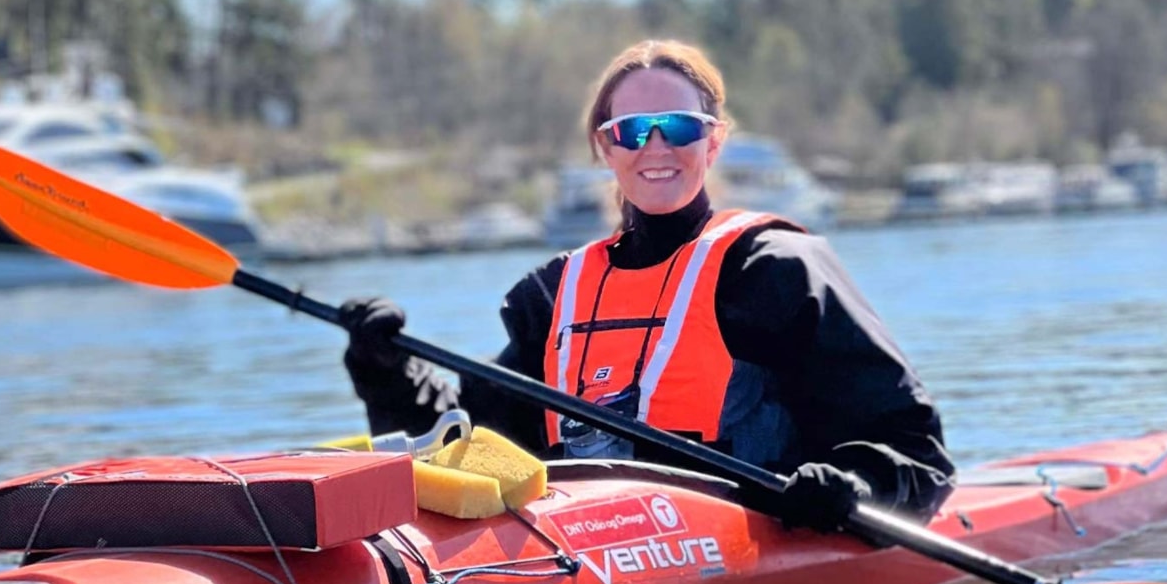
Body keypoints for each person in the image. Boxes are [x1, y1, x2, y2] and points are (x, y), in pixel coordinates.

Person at [340, 39, 954, 533]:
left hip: (753, 535)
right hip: (584, 542)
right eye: (633, 131)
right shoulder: (553, 296)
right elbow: (471, 445)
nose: (656, 146)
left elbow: (914, 451)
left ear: (713, 141)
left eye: (679, 128)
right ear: (606, 148)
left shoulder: (773, 269)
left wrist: (852, 486)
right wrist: (387, 368)